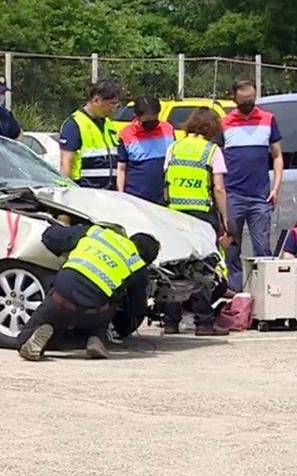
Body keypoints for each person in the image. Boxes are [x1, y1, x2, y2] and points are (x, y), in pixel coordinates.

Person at [17, 219, 160, 361]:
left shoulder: (96, 233)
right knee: (112, 303)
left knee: (23, 341)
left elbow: (51, 236)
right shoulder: (137, 266)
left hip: (60, 300)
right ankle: (93, 338)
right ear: (147, 261)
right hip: (94, 313)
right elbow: (135, 310)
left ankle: (44, 339)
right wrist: (123, 330)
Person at [160, 107, 231, 336]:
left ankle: (171, 321)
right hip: (201, 213)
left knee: (173, 267)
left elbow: (166, 180)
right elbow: (218, 188)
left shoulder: (174, 147)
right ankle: (204, 323)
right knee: (202, 268)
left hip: (174, 212)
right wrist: (225, 218)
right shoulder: (212, 151)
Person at [221, 79, 283, 291]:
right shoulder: (225, 123)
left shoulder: (268, 120)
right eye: (243, 101)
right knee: (231, 250)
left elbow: (277, 156)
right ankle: (234, 293)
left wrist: (275, 188)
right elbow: (217, 161)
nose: (248, 105)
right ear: (234, 99)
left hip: (260, 196)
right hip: (233, 195)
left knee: (262, 248)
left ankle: (264, 294)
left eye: (251, 100)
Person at [59, 79, 121, 189]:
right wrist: (65, 192)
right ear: (96, 100)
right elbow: (65, 163)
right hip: (86, 192)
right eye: (112, 103)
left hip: (110, 193)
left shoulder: (108, 123)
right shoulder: (74, 124)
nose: (114, 108)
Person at [116, 96, 174, 204]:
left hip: (162, 196)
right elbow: (121, 169)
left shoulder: (168, 129)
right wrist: (121, 195)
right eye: (148, 119)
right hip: (135, 197)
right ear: (137, 117)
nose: (152, 121)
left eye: (154, 117)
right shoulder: (126, 134)